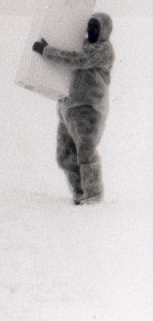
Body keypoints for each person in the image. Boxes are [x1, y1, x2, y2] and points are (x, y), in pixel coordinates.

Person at [32, 12, 115, 204]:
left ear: (105, 31)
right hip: (68, 106)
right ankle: (80, 195)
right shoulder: (82, 44)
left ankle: (93, 198)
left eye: (95, 26)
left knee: (86, 153)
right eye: (89, 25)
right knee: (65, 156)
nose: (90, 29)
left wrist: (47, 51)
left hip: (89, 109)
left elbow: (78, 60)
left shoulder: (103, 50)